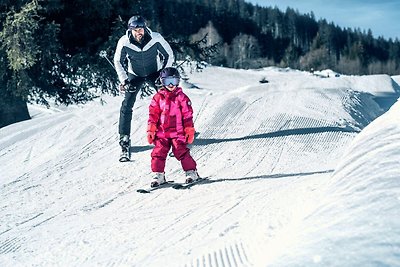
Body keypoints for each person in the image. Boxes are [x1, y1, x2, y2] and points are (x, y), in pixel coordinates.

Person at [113, 15, 174, 162]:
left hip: (155, 73)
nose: (138, 32)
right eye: (135, 30)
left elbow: (168, 55)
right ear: (130, 30)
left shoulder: (155, 38)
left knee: (168, 102)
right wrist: (124, 80)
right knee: (127, 104)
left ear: (145, 28)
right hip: (135, 75)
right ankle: (124, 139)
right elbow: (118, 61)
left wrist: (164, 74)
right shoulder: (124, 42)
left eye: (140, 29)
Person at [147, 67, 199, 187]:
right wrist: (151, 129)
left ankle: (191, 172)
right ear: (162, 82)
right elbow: (153, 115)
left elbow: (187, 115)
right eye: (167, 82)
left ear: (178, 81)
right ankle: (158, 174)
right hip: (161, 133)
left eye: (174, 81)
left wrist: (189, 130)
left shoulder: (182, 97)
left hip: (178, 133)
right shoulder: (158, 98)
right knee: (158, 153)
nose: (171, 85)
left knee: (181, 151)